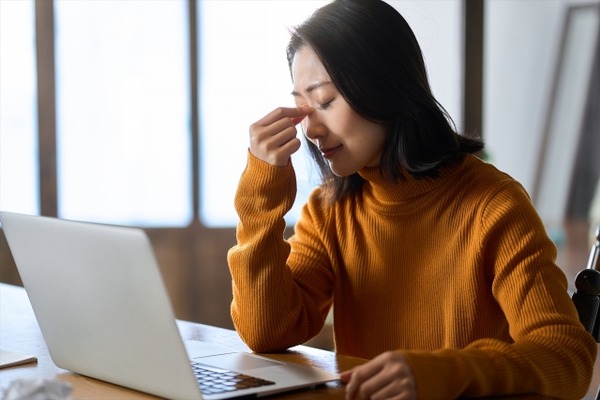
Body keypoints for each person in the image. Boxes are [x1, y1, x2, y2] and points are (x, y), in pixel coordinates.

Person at [227, 0, 597, 398]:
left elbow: (566, 356)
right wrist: (261, 188)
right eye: (303, 106)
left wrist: (445, 373)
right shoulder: (330, 211)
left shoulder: (493, 205)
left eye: (325, 101)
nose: (312, 129)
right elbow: (267, 332)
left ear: (384, 85)